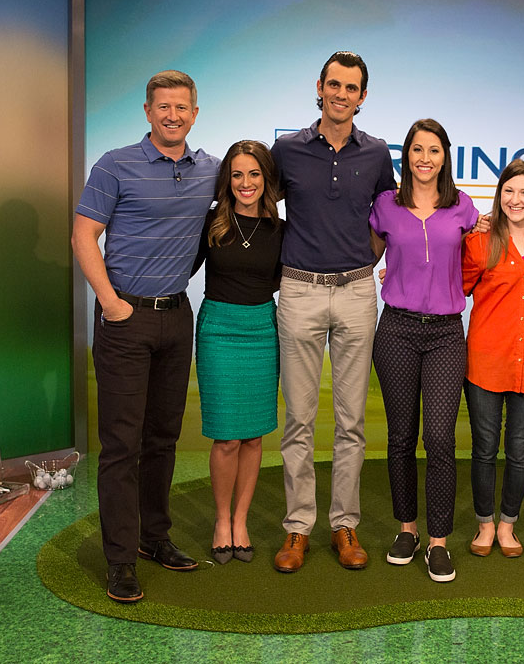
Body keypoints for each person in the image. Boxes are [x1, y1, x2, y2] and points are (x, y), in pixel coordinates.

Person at [71, 70, 218, 602]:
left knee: (162, 438)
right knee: (121, 445)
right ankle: (120, 560)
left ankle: (154, 538)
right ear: (148, 111)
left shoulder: (211, 170)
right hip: (124, 318)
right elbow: (83, 235)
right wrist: (111, 303)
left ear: (194, 113)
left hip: (177, 317)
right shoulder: (115, 164)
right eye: (163, 107)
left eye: (181, 107)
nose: (172, 116)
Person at [270, 51, 396, 573]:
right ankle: (298, 527)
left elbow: (390, 218)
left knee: (351, 422)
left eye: (351, 87)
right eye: (334, 85)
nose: (341, 94)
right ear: (319, 87)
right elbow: (259, 204)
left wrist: (368, 259)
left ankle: (344, 524)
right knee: (298, 419)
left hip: (356, 292)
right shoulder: (287, 149)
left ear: (363, 96)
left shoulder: (378, 153)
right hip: (299, 290)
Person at [371, 119, 479, 582]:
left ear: (445, 157)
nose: (425, 158)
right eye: (417, 149)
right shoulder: (385, 205)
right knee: (400, 437)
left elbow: (478, 258)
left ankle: (438, 542)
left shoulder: (464, 207)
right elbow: (366, 255)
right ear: (406, 155)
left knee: (438, 437)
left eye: (434, 150)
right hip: (396, 329)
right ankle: (408, 531)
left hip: (446, 334)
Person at [462, 159, 524, 560]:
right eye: (508, 191)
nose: (515, 200)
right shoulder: (478, 242)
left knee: (520, 450)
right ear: (498, 194)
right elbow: (452, 287)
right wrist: (398, 274)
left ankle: (507, 525)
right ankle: (485, 524)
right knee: (484, 448)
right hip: (485, 360)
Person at [192, 140, 283, 565]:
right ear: (226, 180)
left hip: (262, 330)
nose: (246, 183)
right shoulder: (211, 222)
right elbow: (180, 265)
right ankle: (221, 520)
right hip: (219, 330)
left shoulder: (281, 229)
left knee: (253, 435)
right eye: (237, 175)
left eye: (254, 174)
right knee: (227, 437)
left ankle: (241, 521)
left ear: (267, 178)